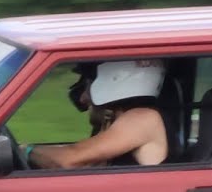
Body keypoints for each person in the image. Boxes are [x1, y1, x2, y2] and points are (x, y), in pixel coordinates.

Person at [24, 59, 169, 169]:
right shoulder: (119, 123)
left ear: (116, 82)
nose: (83, 98)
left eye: (87, 86)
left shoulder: (142, 119)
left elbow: (69, 159)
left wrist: (26, 151)